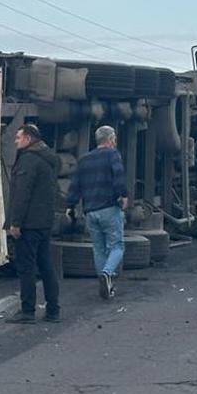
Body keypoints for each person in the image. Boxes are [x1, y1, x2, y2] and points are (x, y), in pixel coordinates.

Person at [6, 124, 61, 324]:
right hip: (44, 221)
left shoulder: (28, 161)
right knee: (46, 265)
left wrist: (15, 223)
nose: (16, 141)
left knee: (26, 267)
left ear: (28, 139)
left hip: (29, 223)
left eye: (19, 137)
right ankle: (53, 309)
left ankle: (27, 310)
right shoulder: (48, 159)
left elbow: (22, 194)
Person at [66, 125, 128, 300]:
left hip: (90, 211)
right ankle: (107, 274)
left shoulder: (84, 159)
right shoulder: (112, 154)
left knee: (99, 248)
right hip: (108, 207)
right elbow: (118, 176)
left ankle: (105, 284)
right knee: (116, 246)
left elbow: (75, 184)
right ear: (110, 139)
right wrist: (123, 195)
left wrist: (70, 205)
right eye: (114, 138)